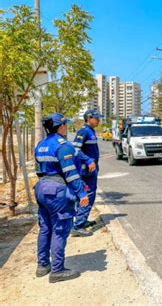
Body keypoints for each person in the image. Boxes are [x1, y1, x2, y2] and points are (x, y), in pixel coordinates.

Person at [34, 113, 89, 283]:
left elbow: (38, 170)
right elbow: (71, 174)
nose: (66, 127)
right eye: (65, 124)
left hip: (42, 187)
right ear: (61, 126)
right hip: (57, 189)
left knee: (45, 227)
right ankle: (57, 270)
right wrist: (81, 193)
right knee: (60, 228)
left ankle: (43, 265)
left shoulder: (41, 145)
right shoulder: (63, 146)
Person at [71, 109, 103, 237]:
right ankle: (78, 226)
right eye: (96, 118)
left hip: (91, 169)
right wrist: (89, 160)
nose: (98, 120)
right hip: (86, 170)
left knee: (89, 195)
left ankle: (82, 221)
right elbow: (75, 149)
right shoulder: (83, 131)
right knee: (87, 195)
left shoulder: (91, 131)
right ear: (89, 118)